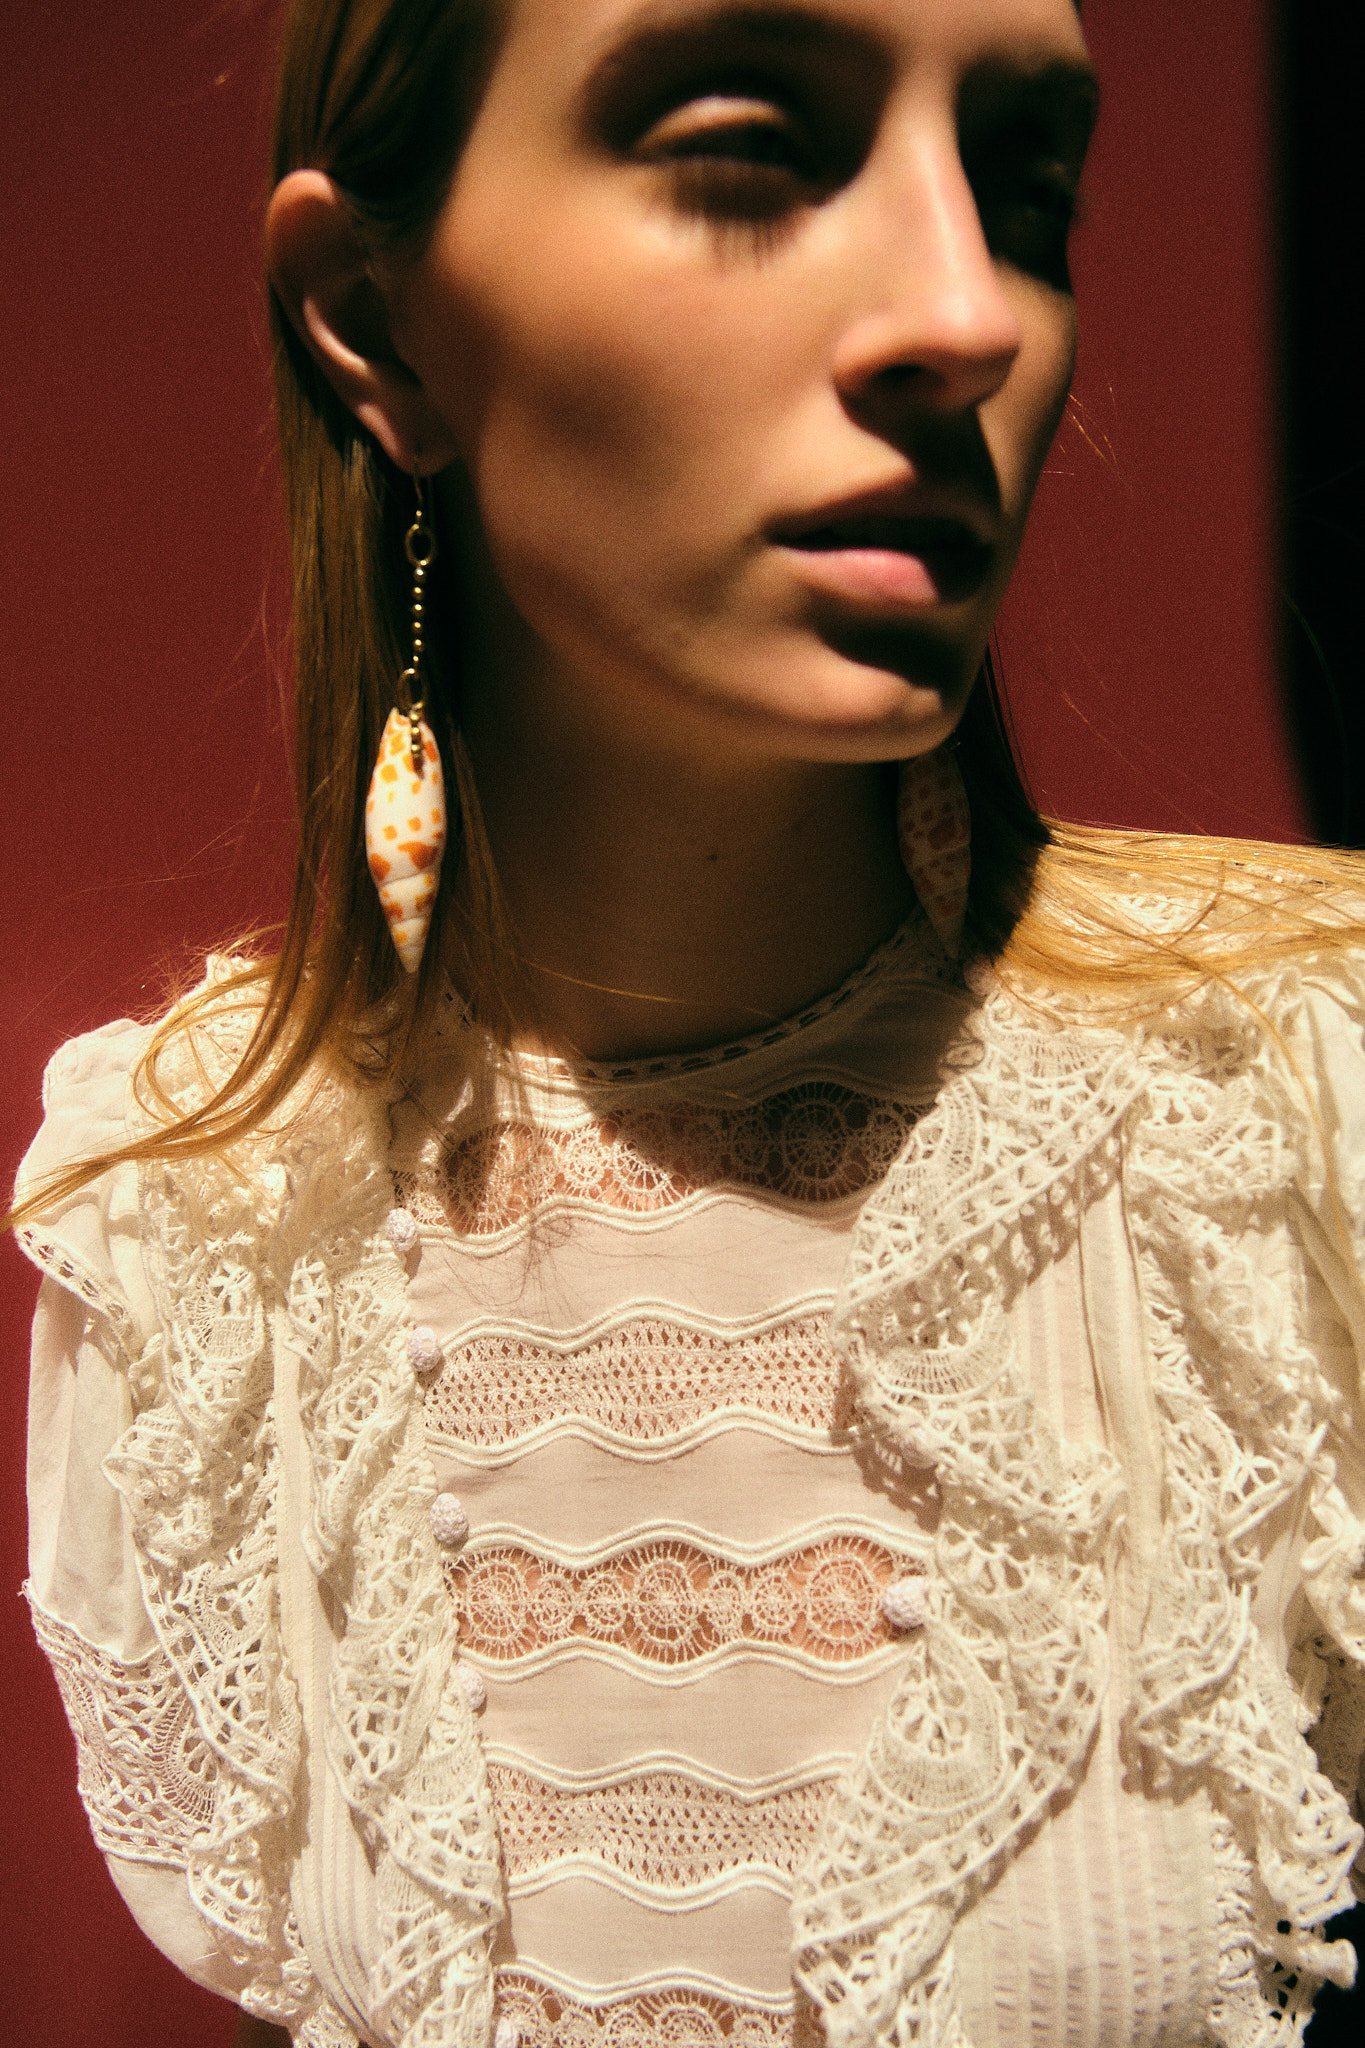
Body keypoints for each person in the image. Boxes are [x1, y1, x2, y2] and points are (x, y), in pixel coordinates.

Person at [8, 1, 1364, 2045]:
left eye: (1022, 194)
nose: (963, 318)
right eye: (747, 149)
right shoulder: (193, 1215)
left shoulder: (1295, 1119)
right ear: (372, 318)